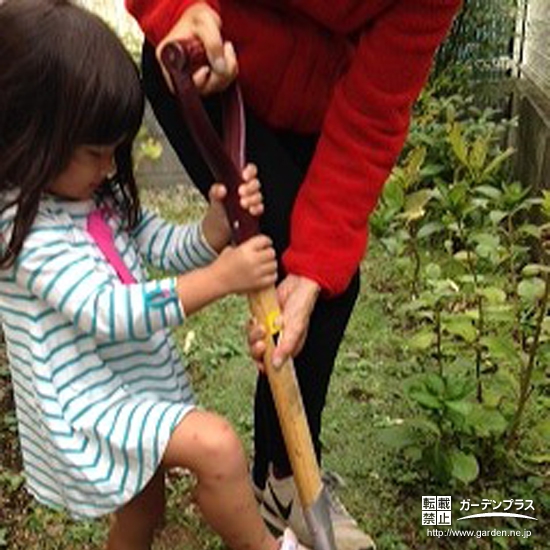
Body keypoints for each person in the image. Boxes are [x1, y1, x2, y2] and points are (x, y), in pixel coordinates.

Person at [125, 1, 463, 549]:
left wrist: (314, 269)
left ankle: (281, 481)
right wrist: (175, 10)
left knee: (326, 279)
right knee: (288, 266)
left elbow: (373, 115)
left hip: (317, 104)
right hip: (207, 63)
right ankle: (282, 485)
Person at [0, 2, 308, 550]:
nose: (111, 168)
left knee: (144, 505)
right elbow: (109, 311)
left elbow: (160, 244)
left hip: (125, 383)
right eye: (97, 152)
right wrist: (222, 278)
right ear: (28, 137)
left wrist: (213, 230)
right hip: (87, 406)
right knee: (216, 448)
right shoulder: (27, 236)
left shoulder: (95, 195)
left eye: (117, 150)